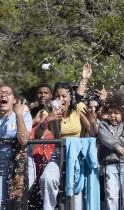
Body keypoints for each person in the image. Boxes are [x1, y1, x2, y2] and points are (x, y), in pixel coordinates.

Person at [38, 79, 97, 209]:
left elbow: (93, 133)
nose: (61, 99)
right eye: (57, 96)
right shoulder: (49, 112)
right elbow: (37, 135)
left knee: (75, 193)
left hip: (77, 155)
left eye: (64, 96)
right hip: (59, 152)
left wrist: (93, 121)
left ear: (70, 98)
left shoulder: (78, 108)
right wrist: (48, 120)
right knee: (47, 178)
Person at [0, 84, 33, 210]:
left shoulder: (23, 114)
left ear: (14, 100)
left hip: (19, 168)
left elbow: (24, 140)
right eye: (0, 93)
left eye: (8, 93)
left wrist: (19, 115)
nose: (3, 95)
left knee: (16, 206)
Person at [98, 94, 124, 210]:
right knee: (111, 196)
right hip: (110, 165)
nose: (113, 116)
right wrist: (117, 146)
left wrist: (112, 143)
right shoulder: (103, 124)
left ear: (123, 113)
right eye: (110, 112)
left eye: (116, 113)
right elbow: (104, 137)